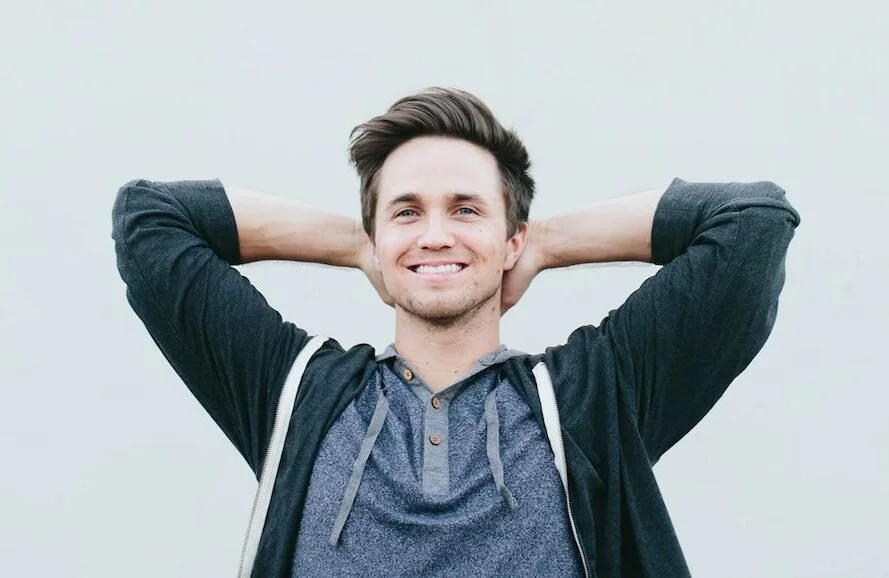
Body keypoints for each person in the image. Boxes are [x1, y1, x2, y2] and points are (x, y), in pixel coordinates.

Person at [111, 87, 800, 577]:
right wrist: (360, 246)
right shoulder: (297, 397)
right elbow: (151, 218)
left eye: (465, 209)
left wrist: (547, 242)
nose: (436, 233)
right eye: (406, 212)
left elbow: (752, 221)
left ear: (510, 238)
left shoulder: (591, 399)